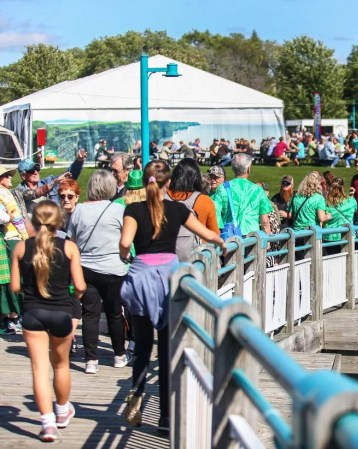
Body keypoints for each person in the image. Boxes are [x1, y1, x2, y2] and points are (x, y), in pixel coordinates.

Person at [120, 160, 226, 432]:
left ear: (144, 183)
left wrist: (126, 257)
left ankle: (137, 390)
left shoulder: (133, 209)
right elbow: (207, 234)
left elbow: (124, 243)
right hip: (169, 278)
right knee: (167, 350)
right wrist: (222, 242)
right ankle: (166, 419)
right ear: (169, 182)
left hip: (141, 277)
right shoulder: (178, 209)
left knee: (143, 347)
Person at [10, 200, 86, 442]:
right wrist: (74, 296)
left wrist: (31, 292)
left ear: (33, 221)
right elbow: (81, 286)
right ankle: (62, 411)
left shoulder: (22, 248)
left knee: (39, 370)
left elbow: (14, 287)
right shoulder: (70, 247)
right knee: (61, 365)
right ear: (59, 222)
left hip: (33, 313)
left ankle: (47, 424)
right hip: (62, 312)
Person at [67, 170, 130, 374]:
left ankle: (90, 360)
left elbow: (71, 241)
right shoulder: (118, 210)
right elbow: (125, 241)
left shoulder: (79, 211)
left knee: (90, 314)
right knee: (114, 313)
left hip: (86, 268)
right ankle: (119, 355)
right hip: (114, 268)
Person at [166, 158, 219, 261]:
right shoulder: (205, 201)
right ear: (197, 178)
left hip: (166, 260)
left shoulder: (162, 198)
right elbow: (215, 234)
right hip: (198, 259)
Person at [209, 154, 272, 236]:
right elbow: (265, 221)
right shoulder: (258, 190)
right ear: (248, 169)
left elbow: (215, 215)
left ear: (232, 168)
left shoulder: (222, 188)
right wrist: (268, 240)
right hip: (252, 238)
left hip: (230, 238)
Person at [0, 165, 29, 334]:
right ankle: (14, 316)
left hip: (9, 238)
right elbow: (15, 217)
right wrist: (25, 236)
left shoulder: (5, 192)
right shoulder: (3, 193)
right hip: (12, 238)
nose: (11, 178)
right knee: (15, 278)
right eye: (6, 176)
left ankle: (13, 316)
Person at [15, 150, 86, 214]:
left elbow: (68, 176)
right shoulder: (19, 191)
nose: (36, 172)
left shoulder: (49, 180)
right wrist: (53, 183)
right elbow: (33, 193)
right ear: (23, 176)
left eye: (37, 169)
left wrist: (79, 161)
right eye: (31, 171)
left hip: (56, 223)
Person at [324, 178, 357, 255]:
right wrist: (351, 196)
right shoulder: (351, 201)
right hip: (348, 235)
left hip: (330, 236)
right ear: (343, 187)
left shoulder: (326, 203)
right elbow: (355, 210)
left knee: (333, 262)